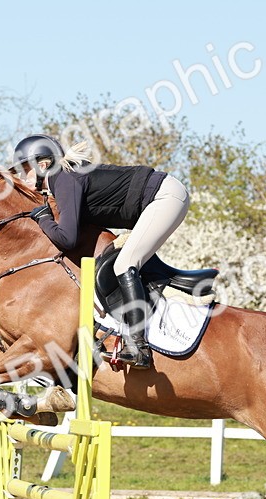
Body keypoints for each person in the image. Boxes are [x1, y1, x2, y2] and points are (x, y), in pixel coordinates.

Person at [10, 134, 190, 370]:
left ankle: (139, 348)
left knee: (124, 264)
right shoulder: (62, 178)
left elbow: (67, 238)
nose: (21, 178)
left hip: (165, 197)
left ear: (42, 165)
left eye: (24, 170)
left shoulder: (62, 178)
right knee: (115, 261)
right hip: (160, 197)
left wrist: (43, 219)